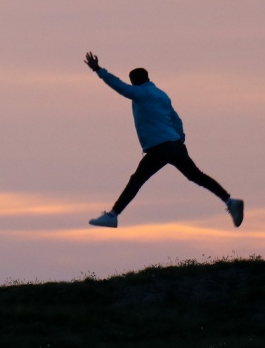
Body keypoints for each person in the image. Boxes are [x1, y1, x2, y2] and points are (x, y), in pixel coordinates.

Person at [83, 52, 243, 229]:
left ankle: (113, 215)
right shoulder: (161, 95)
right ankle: (229, 201)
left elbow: (120, 87)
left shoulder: (141, 93)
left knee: (137, 180)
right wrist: (179, 141)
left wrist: (98, 69)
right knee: (196, 176)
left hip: (160, 148)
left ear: (134, 82)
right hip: (175, 145)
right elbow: (176, 119)